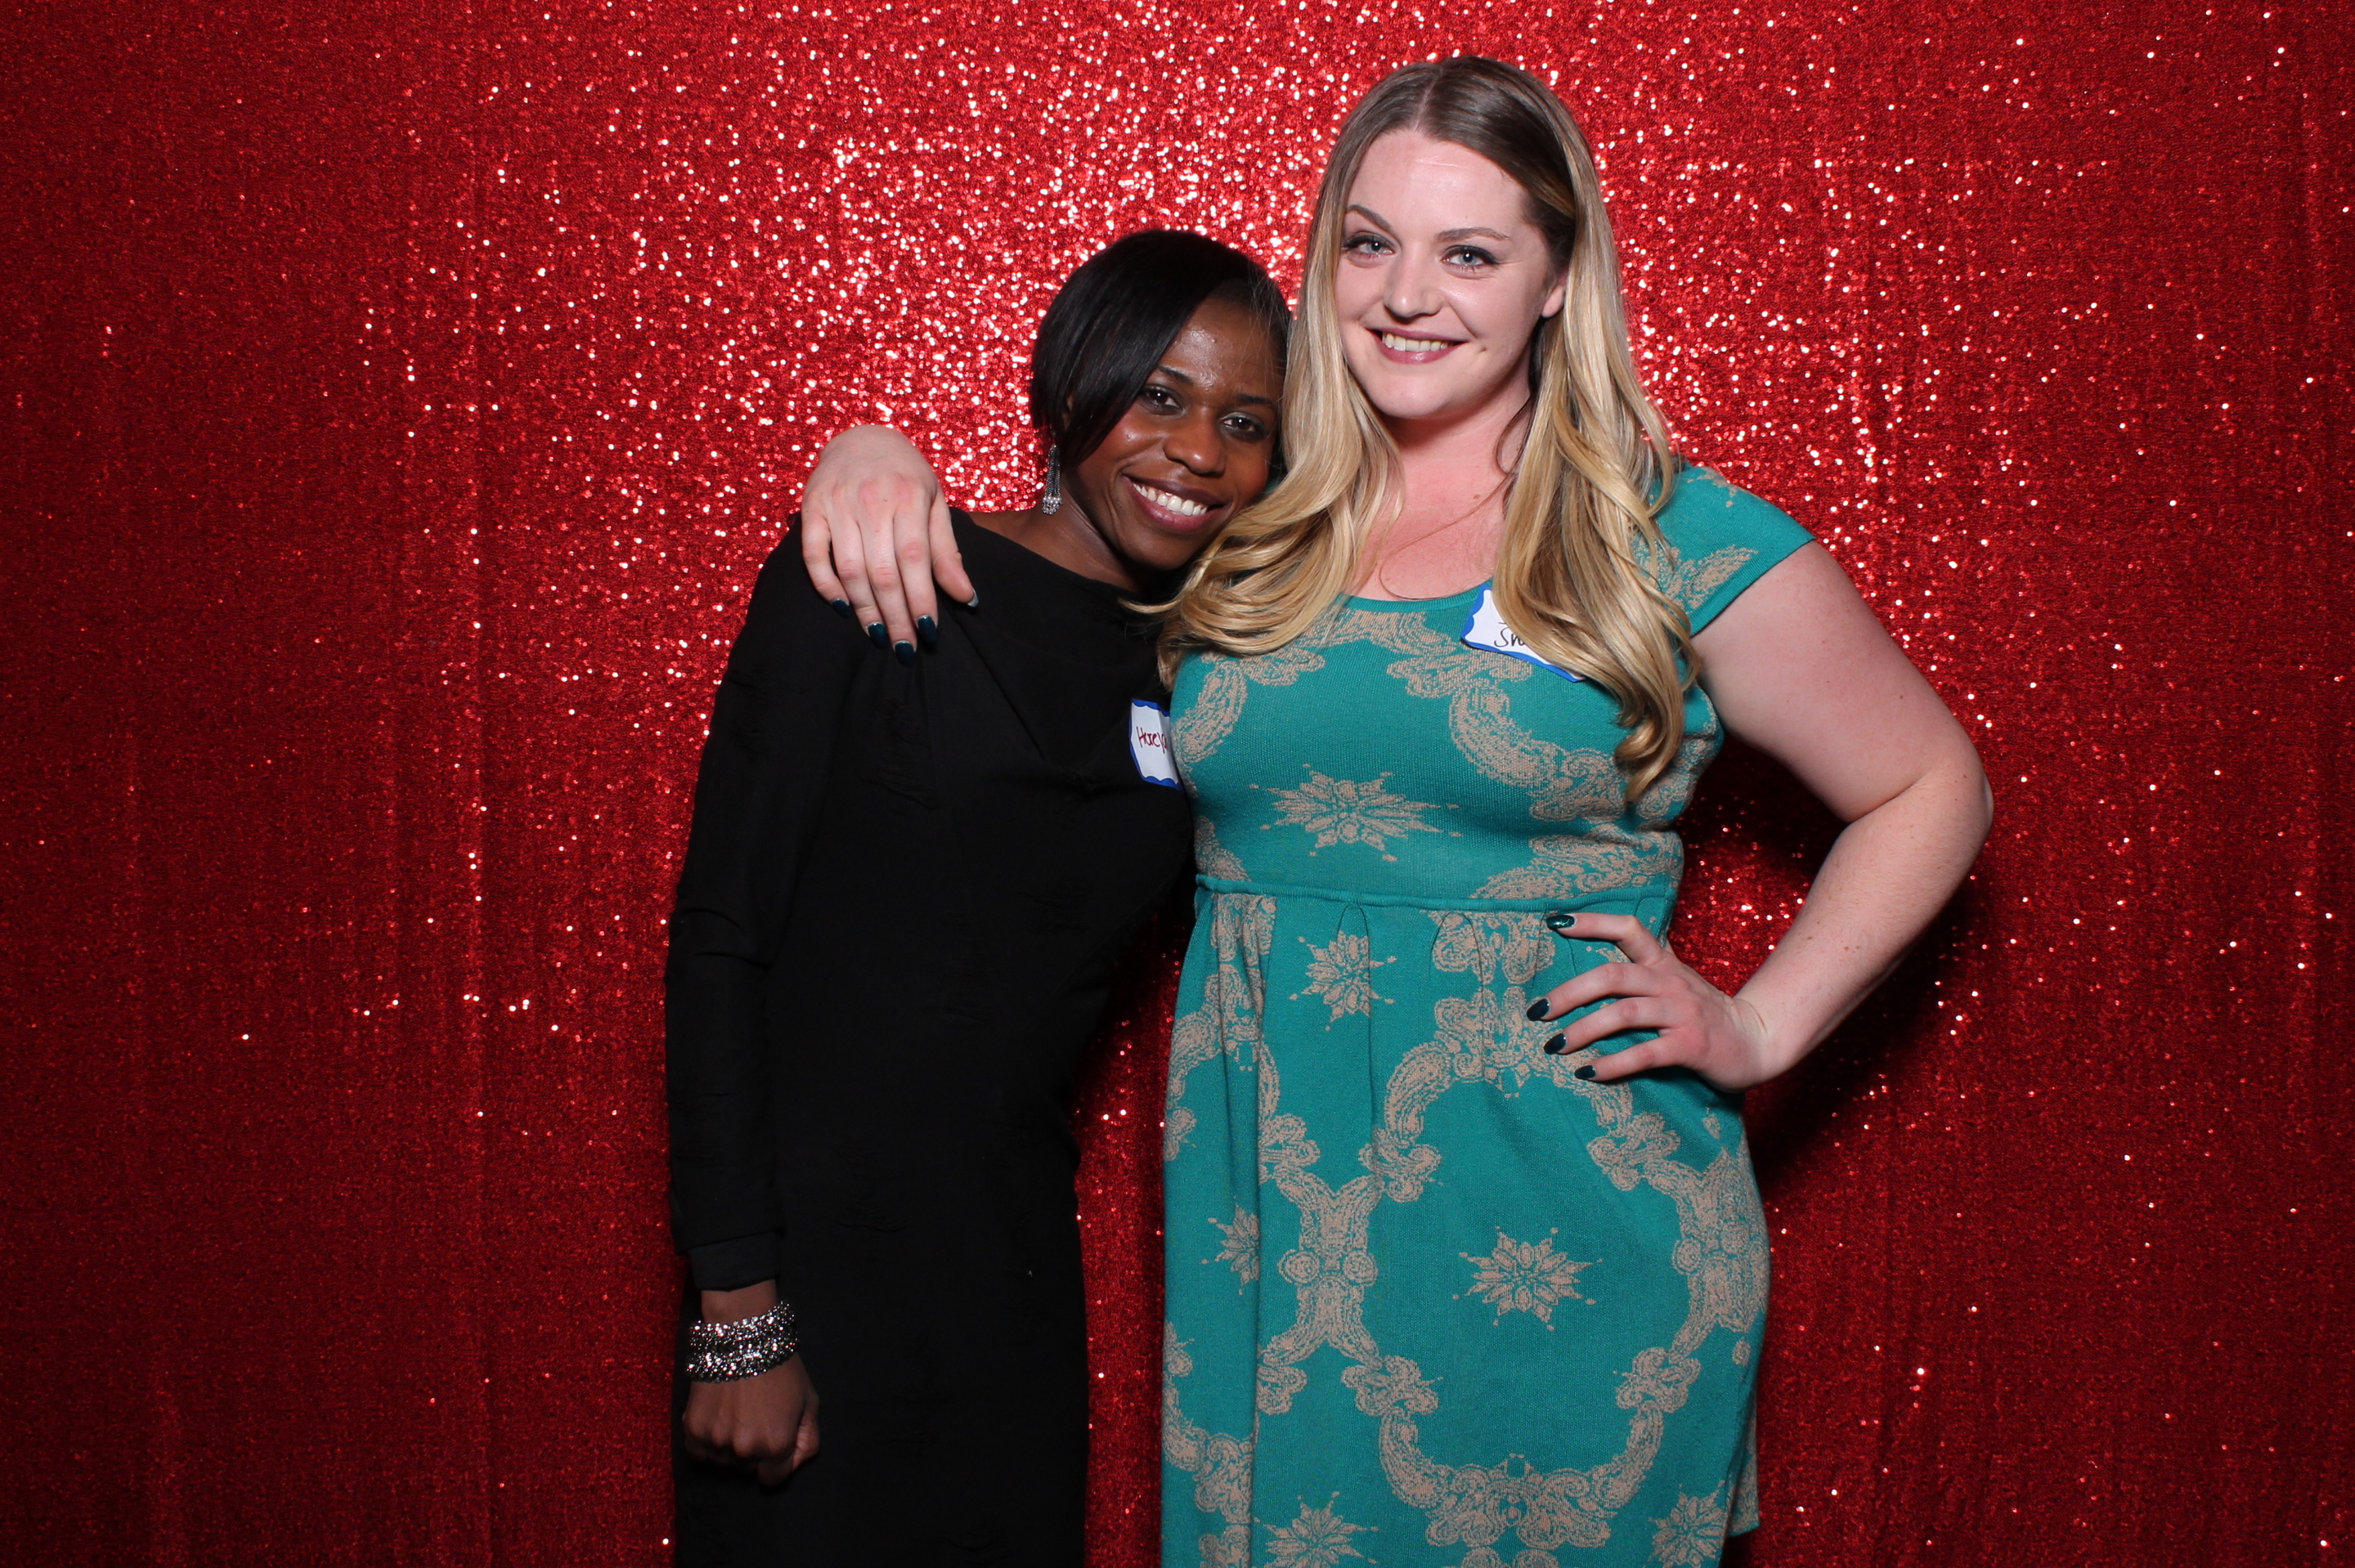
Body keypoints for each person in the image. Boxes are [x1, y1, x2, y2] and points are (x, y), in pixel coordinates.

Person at [801, 57, 1991, 1568]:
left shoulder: (1662, 533)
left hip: (1565, 1236)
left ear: (1558, 280)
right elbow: (1057, 547)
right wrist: (876, 458)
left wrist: (1760, 1025)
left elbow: (1930, 783)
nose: (1406, 295)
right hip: (1273, 1237)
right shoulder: (1254, 501)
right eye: (1370, 243)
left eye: (1470, 253)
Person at [664, 228, 1289, 1566]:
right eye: (1160, 395)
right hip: (804, 1281)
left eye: (1246, 424)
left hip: (1007, 1287)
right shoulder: (878, 568)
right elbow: (723, 942)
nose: (1196, 450)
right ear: (1074, 382)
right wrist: (738, 1308)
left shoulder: (1216, 680)